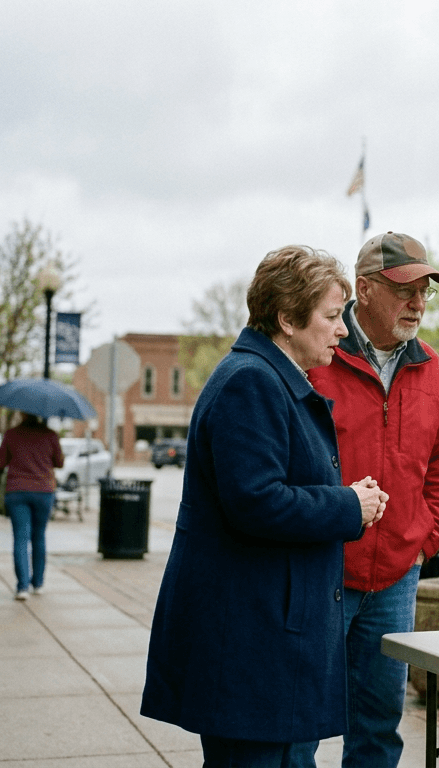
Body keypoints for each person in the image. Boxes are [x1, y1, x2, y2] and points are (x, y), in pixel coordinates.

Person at [141, 245, 388, 767]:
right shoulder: (251, 382)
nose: (343, 329)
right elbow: (255, 502)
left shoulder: (267, 376)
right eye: (330, 316)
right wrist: (348, 505)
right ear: (286, 319)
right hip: (251, 643)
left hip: (262, 636)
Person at [302, 231, 439, 768]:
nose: (417, 304)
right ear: (363, 290)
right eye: (404, 290)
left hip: (396, 576)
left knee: (378, 727)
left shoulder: (433, 370)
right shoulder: (314, 356)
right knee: (298, 724)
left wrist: (425, 538)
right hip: (322, 570)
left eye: (424, 291)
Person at [0, 412, 64, 600]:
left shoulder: (11, 434)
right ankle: (38, 583)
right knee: (39, 537)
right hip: (43, 491)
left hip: (17, 492)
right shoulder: (50, 435)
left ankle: (22, 587)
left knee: (21, 539)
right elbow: (60, 462)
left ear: (22, 414)